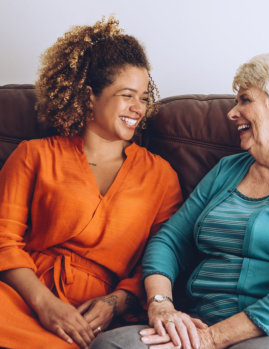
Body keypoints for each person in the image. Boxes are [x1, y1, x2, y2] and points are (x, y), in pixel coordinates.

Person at [90, 52, 269, 349]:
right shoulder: (228, 169)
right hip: (200, 320)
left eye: (245, 100)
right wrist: (161, 304)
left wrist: (212, 339)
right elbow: (170, 240)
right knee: (111, 345)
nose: (232, 113)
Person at [0, 17, 182, 349]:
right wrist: (45, 305)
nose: (138, 108)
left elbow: (160, 260)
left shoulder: (161, 176)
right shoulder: (34, 155)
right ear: (89, 96)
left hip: (96, 316)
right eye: (127, 95)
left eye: (144, 97)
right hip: (23, 297)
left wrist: (116, 302)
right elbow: (4, 242)